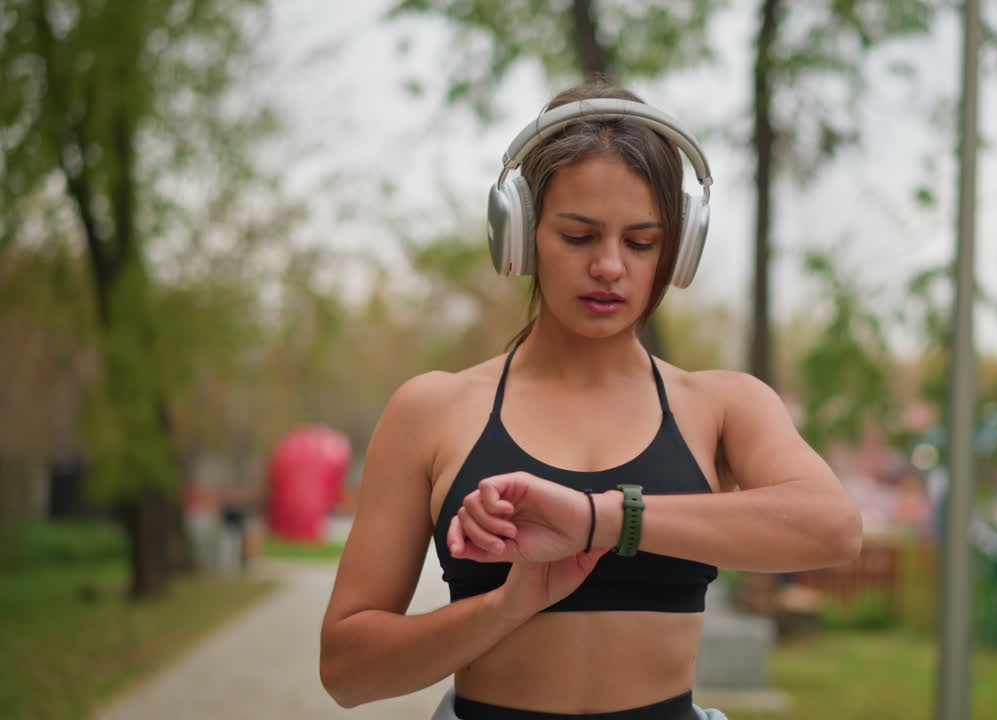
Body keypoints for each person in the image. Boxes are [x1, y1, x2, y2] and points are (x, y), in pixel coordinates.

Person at [319, 82, 863, 720]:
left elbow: (834, 527)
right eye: (579, 237)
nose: (610, 266)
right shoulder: (433, 410)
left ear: (677, 252)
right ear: (519, 235)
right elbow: (345, 673)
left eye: (641, 242)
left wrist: (600, 519)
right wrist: (508, 605)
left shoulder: (721, 405)